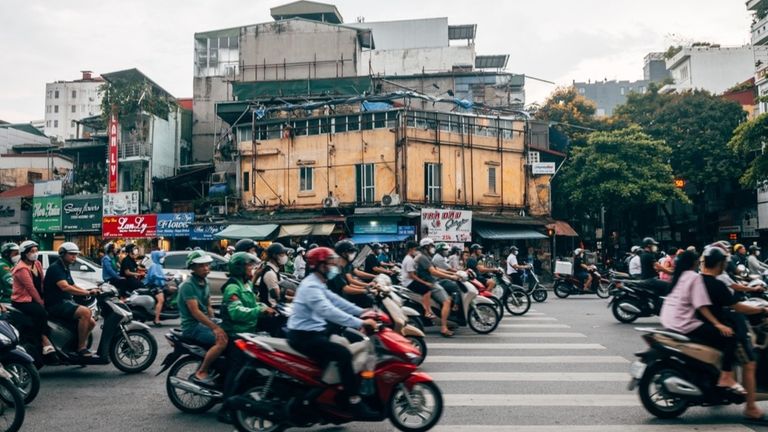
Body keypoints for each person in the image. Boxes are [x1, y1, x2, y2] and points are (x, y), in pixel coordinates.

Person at [286, 247, 378, 417]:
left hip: (315, 332)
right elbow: (328, 310)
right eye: (330, 263)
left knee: (343, 345)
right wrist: (360, 321)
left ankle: (332, 395)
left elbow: (336, 301)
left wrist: (361, 312)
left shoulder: (318, 283)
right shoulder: (311, 286)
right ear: (320, 266)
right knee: (343, 354)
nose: (333, 266)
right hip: (304, 336)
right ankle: (353, 401)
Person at [698, 246, 768, 421]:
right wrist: (762, 310)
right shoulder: (717, 284)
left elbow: (703, 306)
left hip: (705, 324)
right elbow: (736, 306)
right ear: (721, 264)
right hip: (720, 328)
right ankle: (751, 408)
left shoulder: (699, 280)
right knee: (750, 362)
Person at [218, 251, 275, 423]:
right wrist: (260, 310)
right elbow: (236, 312)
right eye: (249, 265)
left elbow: (251, 303)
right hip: (235, 334)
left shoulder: (245, 284)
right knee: (237, 371)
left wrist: (264, 306)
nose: (252, 268)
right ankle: (225, 408)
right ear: (240, 268)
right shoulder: (232, 287)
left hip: (248, 332)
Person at [177, 250, 227, 386]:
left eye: (207, 265)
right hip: (192, 327)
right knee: (222, 341)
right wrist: (215, 328)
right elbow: (195, 312)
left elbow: (208, 305)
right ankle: (202, 371)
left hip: (204, 324)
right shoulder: (188, 286)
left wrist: (216, 321)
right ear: (192, 268)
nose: (206, 268)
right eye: (201, 266)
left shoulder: (205, 282)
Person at [43, 242, 99, 357]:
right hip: (56, 304)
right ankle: (81, 348)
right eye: (71, 254)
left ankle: (75, 343)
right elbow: (65, 287)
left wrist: (91, 290)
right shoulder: (56, 268)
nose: (74, 257)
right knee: (86, 312)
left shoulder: (65, 267)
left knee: (92, 322)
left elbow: (73, 285)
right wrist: (87, 292)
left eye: (76, 254)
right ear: (62, 254)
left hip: (65, 302)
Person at [11, 240, 55, 358]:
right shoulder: (21, 269)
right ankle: (44, 340)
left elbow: (41, 282)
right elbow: (30, 288)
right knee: (42, 313)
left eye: (36, 251)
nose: (35, 253)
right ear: (24, 253)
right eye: (32, 251)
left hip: (35, 297)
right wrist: (41, 302)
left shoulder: (37, 264)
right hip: (22, 300)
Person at [414, 238, 461, 337]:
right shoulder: (423, 258)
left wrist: (454, 273)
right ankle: (444, 328)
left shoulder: (427, 257)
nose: (433, 248)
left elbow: (437, 268)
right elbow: (433, 272)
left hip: (432, 281)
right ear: (426, 247)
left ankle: (449, 320)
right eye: (431, 246)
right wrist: (451, 276)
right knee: (447, 301)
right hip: (430, 283)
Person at [330, 240, 374, 308]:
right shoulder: (334, 269)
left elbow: (348, 284)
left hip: (343, 300)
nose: (353, 254)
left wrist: (367, 287)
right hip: (337, 305)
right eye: (351, 252)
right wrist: (366, 290)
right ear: (343, 254)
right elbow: (346, 289)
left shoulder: (342, 267)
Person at [144, 250, 175, 327]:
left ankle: (168, 307)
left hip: (159, 285)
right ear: (157, 257)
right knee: (161, 300)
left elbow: (160, 274)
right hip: (154, 286)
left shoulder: (158, 265)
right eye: (161, 257)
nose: (162, 258)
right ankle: (156, 319)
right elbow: (154, 276)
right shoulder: (154, 265)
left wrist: (168, 275)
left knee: (174, 289)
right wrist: (165, 278)